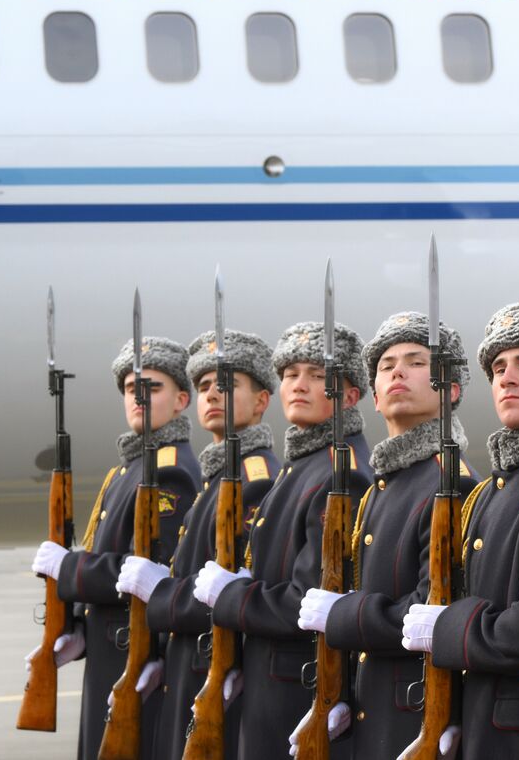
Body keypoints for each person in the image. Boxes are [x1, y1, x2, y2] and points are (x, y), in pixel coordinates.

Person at [403, 302, 519, 759]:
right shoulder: (494, 488)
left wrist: (446, 627)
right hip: (480, 726)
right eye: (498, 368)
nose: (507, 378)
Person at [293, 312, 475, 759]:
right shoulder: (382, 485)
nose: (398, 370)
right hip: (369, 711)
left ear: (450, 391)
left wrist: (343, 614)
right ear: (373, 396)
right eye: (387, 364)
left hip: (410, 710)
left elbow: (430, 611)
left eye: (416, 362)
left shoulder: (450, 483)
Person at [192, 321, 372, 759]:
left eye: (316, 375)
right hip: (271, 681)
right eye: (291, 374)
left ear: (349, 395)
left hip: (299, 685)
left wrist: (231, 597)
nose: (299, 385)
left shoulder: (339, 471)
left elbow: (307, 601)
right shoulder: (305, 465)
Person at [113, 329, 280, 759]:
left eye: (227, 385)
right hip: (188, 665)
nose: (212, 394)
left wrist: (160, 594)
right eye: (204, 385)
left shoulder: (255, 479)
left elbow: (240, 592)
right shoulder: (217, 477)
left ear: (261, 401)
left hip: (212, 665)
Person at [30, 336, 201, 759]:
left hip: (137, 657)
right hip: (110, 651)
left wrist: (70, 569)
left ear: (181, 400)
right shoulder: (130, 468)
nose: (138, 397)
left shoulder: (171, 471)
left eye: (153, 388)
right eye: (130, 389)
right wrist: (80, 631)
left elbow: (146, 573)